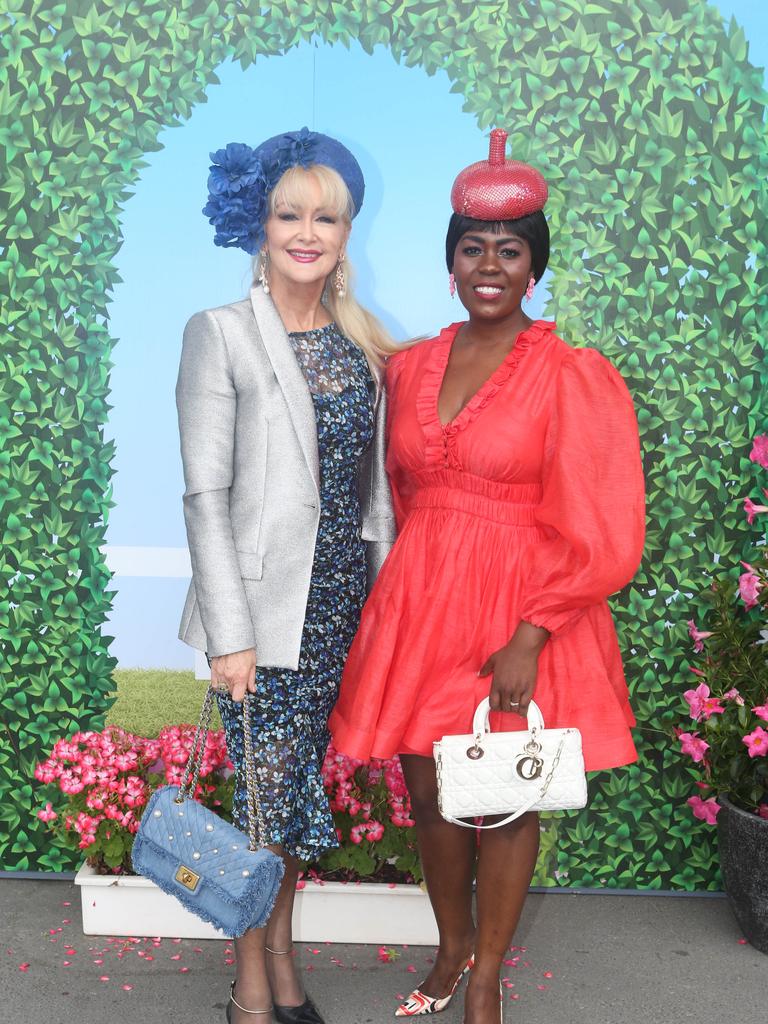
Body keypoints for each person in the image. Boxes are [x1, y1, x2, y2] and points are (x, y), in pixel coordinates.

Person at [329, 129, 645, 1024]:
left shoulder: (571, 375)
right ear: (452, 263)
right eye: (473, 249)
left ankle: (490, 971)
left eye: (510, 250)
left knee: (504, 792)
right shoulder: (415, 363)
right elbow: (397, 489)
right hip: (423, 604)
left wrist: (534, 631)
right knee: (429, 790)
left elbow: (604, 519)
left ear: (534, 264)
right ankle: (451, 945)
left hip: (518, 608)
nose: (490, 265)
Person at [176, 128, 397, 1024]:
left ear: (347, 231)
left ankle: (283, 968)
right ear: (258, 225)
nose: (307, 231)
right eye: (288, 214)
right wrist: (229, 634)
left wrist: (384, 600)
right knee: (264, 802)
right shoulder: (218, 333)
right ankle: (253, 994)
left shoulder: (363, 347)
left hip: (340, 605)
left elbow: (371, 490)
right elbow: (203, 494)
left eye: (326, 216)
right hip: (259, 619)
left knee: (291, 795)